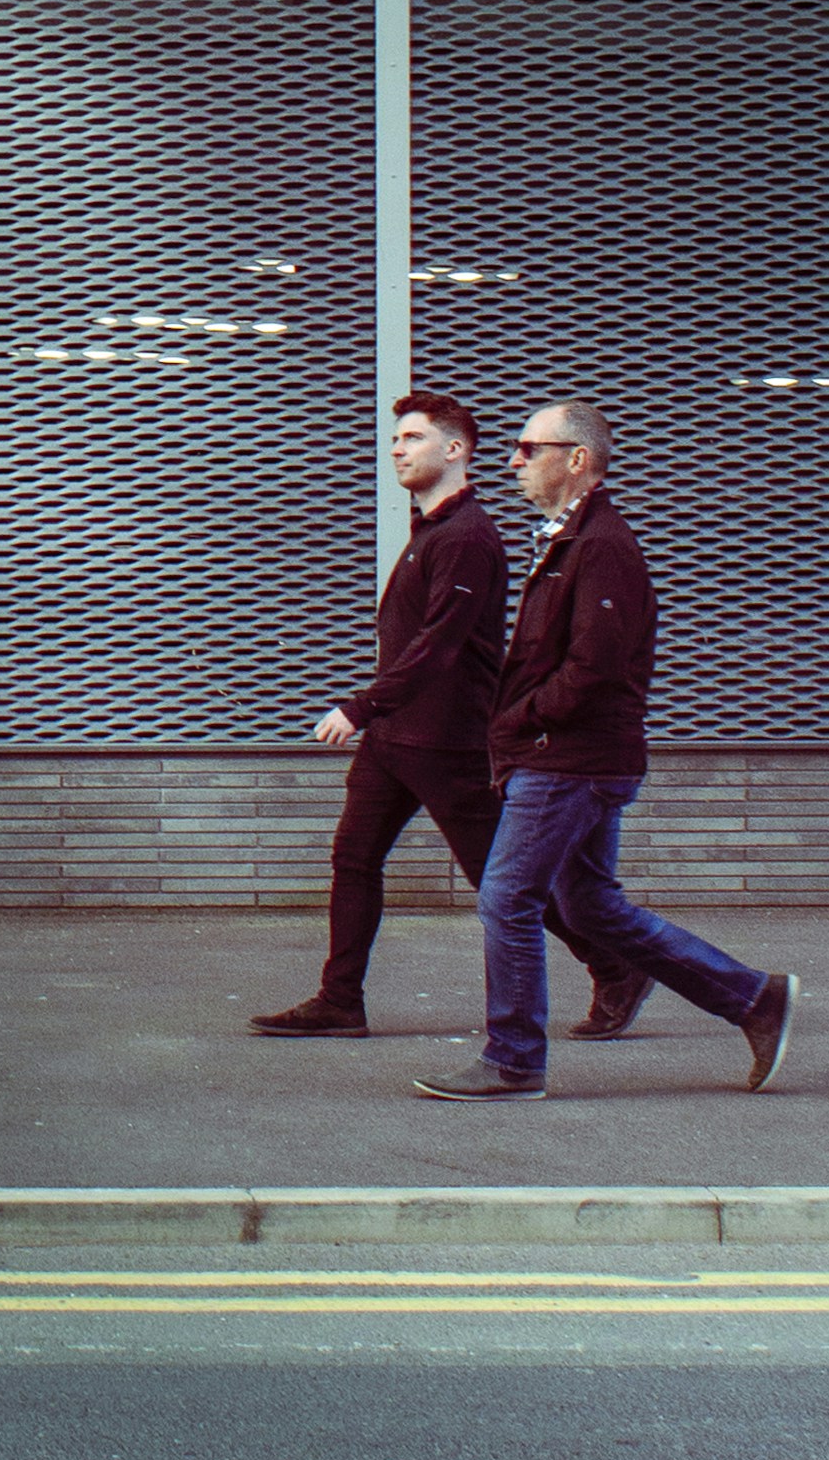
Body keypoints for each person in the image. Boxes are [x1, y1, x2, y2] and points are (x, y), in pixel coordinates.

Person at [410, 393, 794, 1102]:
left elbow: (593, 668)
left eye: (529, 449)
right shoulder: (567, 538)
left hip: (568, 759)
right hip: (567, 755)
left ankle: (514, 1058)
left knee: (506, 897)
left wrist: (516, 722)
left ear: (576, 459)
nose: (513, 461)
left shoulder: (601, 547)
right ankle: (754, 998)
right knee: (588, 906)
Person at [252, 389, 627, 1043]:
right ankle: (340, 998)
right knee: (354, 857)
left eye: (413, 437)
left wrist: (360, 704)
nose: (397, 448)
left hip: (448, 742)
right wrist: (378, 717)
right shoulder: (430, 530)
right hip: (394, 741)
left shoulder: (468, 537)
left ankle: (614, 966)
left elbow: (439, 644)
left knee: (503, 882)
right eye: (396, 438)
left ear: (454, 450)